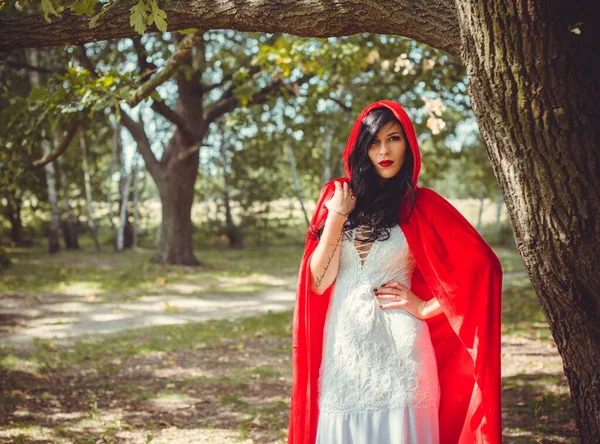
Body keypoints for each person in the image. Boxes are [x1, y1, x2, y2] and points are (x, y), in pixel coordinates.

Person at [288, 100, 503, 444]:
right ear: (362, 149)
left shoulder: (421, 205)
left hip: (403, 350)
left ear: (409, 145)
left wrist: (423, 307)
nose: (384, 150)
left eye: (394, 139)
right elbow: (317, 281)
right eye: (374, 142)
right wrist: (338, 216)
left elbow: (483, 268)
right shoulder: (337, 195)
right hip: (344, 348)